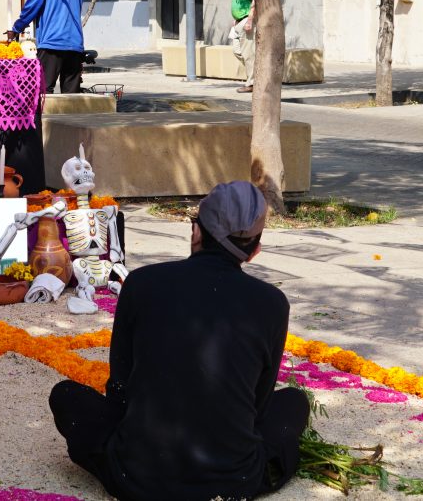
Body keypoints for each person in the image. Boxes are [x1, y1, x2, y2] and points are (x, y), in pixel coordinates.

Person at [48, 181, 307, 501]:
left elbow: (120, 384)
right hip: (233, 481)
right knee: (294, 403)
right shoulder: (272, 303)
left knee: (67, 396)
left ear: (197, 233)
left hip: (138, 477)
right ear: (255, 250)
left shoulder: (142, 283)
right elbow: (258, 402)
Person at [6, 0, 85, 94]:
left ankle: (43, 119)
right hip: (75, 44)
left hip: (52, 44)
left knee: (42, 93)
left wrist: (16, 28)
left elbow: (31, 7)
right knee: (71, 98)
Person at [229, 0, 255, 93]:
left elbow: (254, 3)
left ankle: (251, 83)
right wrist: (236, 19)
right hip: (238, 22)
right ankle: (255, 73)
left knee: (248, 53)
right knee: (237, 51)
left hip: (246, 21)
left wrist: (249, 20)